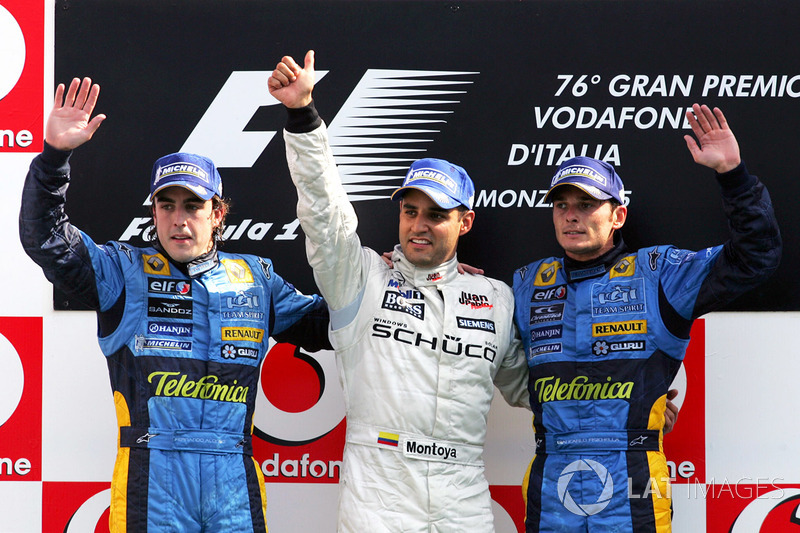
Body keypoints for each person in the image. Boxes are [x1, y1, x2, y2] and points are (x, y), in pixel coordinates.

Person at [19, 77, 330, 532]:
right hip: (152, 476)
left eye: (192, 205)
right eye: (166, 206)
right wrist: (54, 158)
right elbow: (46, 238)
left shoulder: (257, 279)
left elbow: (337, 324)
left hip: (233, 480)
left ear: (217, 213)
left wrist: (396, 279)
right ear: (154, 212)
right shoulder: (123, 271)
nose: (178, 220)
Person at [268, 51, 530, 532]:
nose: (419, 225)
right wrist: (304, 117)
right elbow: (326, 218)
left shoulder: (495, 297)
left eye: (435, 214)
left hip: (464, 496)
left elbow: (535, 388)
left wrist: (631, 403)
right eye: (410, 211)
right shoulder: (361, 278)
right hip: (378, 497)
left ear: (465, 222)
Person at [512, 104, 781, 532]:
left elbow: (755, 258)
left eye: (586, 203)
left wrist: (732, 174)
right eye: (561, 204)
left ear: (618, 215)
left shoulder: (659, 273)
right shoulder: (527, 283)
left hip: (633, 476)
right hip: (550, 477)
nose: (571, 214)